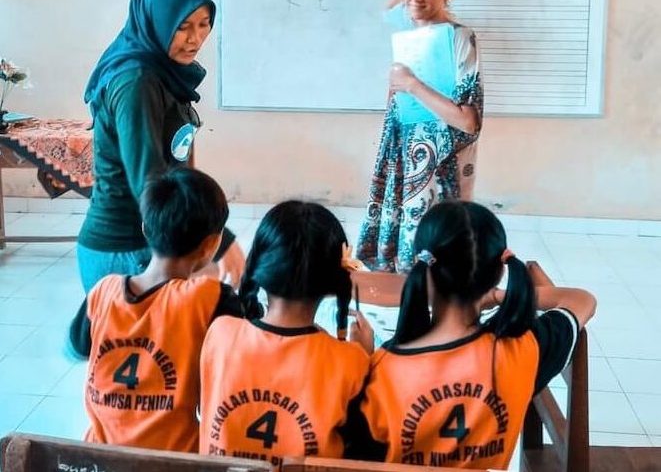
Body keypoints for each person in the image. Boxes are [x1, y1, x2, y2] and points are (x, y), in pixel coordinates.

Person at [353, 200, 596, 470]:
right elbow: (582, 299)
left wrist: (362, 361)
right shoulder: (523, 349)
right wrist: (501, 295)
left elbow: (355, 457)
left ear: (423, 268)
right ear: (500, 271)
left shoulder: (384, 368)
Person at [77, 0, 244, 293]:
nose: (195, 38)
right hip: (125, 249)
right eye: (182, 27)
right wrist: (219, 240)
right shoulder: (136, 81)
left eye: (204, 24)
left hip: (156, 240)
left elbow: (177, 167)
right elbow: (152, 183)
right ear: (157, 20)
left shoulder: (165, 73)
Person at [68, 167, 244, 452]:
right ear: (211, 244)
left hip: (98, 458)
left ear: (145, 228)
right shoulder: (210, 299)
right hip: (171, 462)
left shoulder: (103, 291)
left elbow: (77, 347)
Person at [198, 201, 374, 467]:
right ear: (334, 280)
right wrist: (365, 356)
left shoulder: (220, 333)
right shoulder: (351, 360)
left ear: (259, 264)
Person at [356, 0, 483, 273]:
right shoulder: (408, 31)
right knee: (400, 252)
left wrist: (411, 85)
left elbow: (469, 121)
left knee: (435, 253)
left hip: (440, 162)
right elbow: (386, 10)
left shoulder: (459, 38)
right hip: (402, 151)